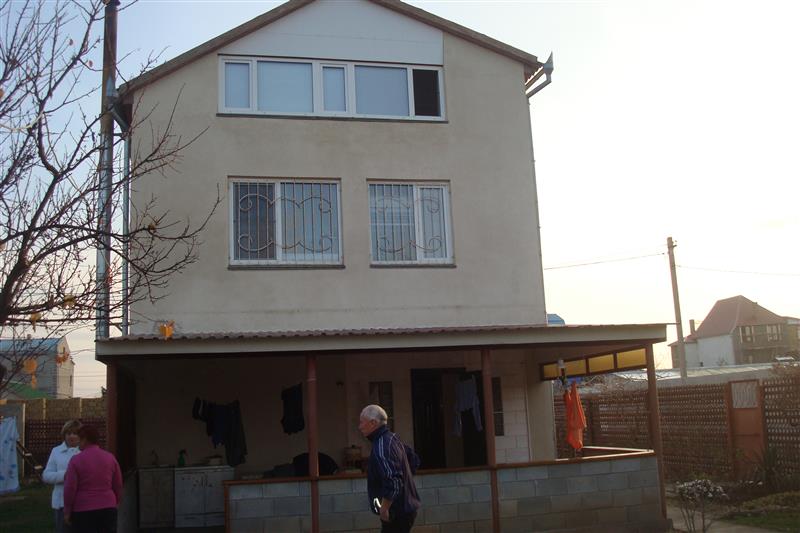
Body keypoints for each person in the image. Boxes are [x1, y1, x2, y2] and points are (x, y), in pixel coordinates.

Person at [359, 404, 421, 533]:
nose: (360, 427)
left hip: (396, 511)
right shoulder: (392, 438)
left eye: (362, 422)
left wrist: (384, 509)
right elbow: (414, 461)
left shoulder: (382, 445)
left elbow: (393, 480)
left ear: (373, 423)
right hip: (406, 508)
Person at [63, 425, 123, 533]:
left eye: (79, 439)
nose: (78, 442)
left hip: (83, 509)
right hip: (108, 507)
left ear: (85, 439)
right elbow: (118, 484)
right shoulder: (110, 458)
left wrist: (67, 510)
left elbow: (70, 488)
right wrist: (116, 502)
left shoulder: (76, 460)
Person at [43, 420, 82, 532]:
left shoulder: (85, 452)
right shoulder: (56, 451)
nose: (71, 436)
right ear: (64, 435)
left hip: (82, 502)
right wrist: (64, 475)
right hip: (61, 503)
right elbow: (46, 475)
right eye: (68, 433)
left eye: (75, 433)